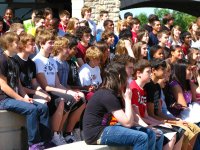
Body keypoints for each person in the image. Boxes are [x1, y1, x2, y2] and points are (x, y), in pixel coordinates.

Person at [83, 62, 156, 149]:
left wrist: (146, 127)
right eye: (126, 76)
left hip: (106, 128)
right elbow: (127, 123)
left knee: (150, 133)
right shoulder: (107, 95)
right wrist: (128, 99)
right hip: (96, 133)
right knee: (141, 137)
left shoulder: (114, 94)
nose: (127, 80)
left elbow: (131, 120)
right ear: (119, 77)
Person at [0, 32, 51, 150]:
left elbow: (18, 84)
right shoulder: (2, 60)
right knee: (31, 109)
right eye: (16, 43)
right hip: (3, 99)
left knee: (42, 108)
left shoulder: (14, 61)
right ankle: (33, 144)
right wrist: (21, 99)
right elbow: (3, 85)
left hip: (15, 97)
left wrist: (25, 96)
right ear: (8, 44)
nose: (19, 45)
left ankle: (45, 141)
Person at [32, 30, 82, 145]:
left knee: (78, 99)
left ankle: (61, 132)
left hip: (54, 90)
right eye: (50, 43)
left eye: (53, 42)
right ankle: (55, 134)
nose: (53, 45)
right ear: (42, 44)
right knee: (63, 100)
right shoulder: (37, 61)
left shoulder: (51, 61)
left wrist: (70, 91)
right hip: (45, 92)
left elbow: (58, 83)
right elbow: (46, 87)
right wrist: (67, 93)